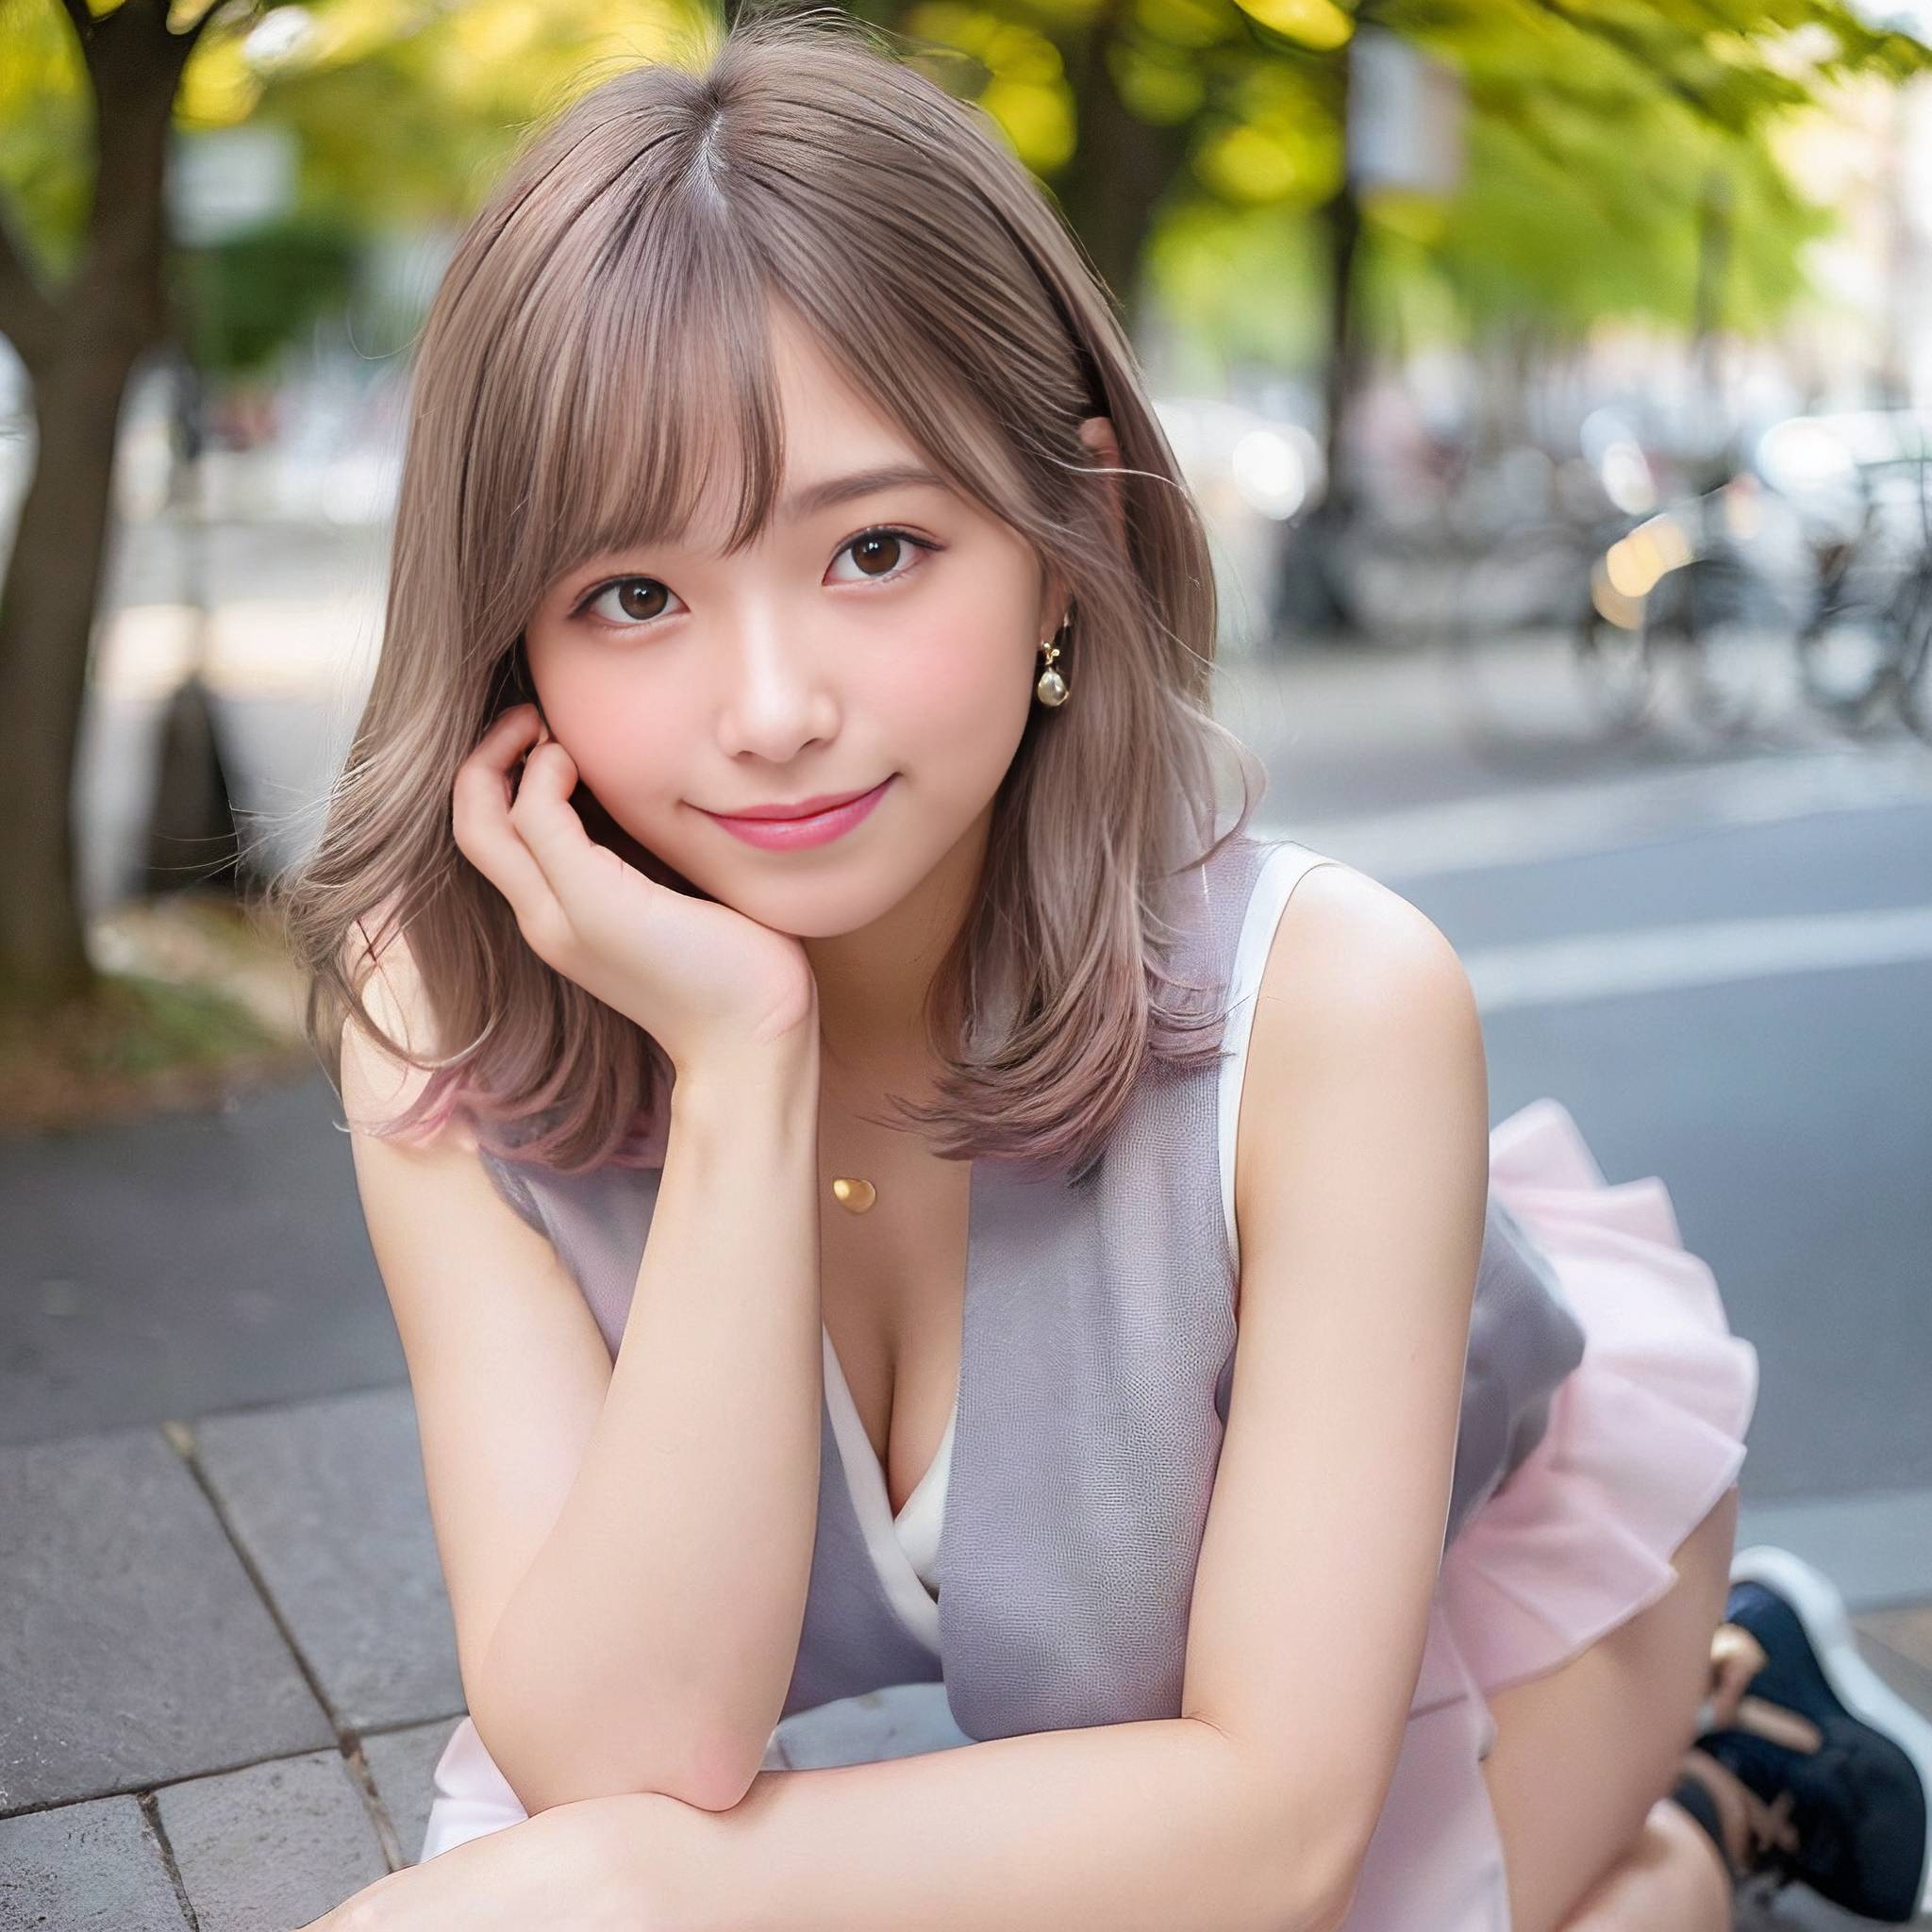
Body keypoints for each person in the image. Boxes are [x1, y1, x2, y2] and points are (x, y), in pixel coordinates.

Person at [280, 11, 1932, 1928]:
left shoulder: (1336, 1011)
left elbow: (1271, 1836)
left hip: (1469, 1598)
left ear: (1068, 539)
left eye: (876, 550)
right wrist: (739, 1068)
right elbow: (619, 1750)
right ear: (516, 646)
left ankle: (1734, 1776)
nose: (771, 709)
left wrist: (646, 1890)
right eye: (633, 595)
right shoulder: (444, 1019)